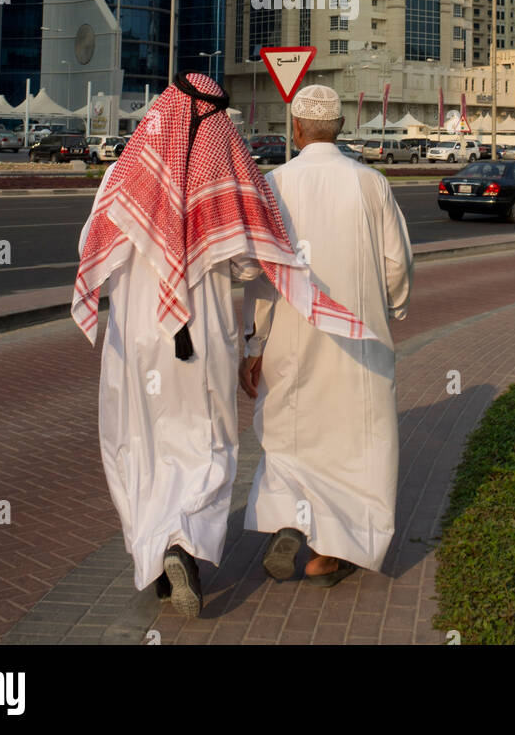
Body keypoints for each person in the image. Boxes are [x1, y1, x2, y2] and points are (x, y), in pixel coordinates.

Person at [73, 73, 370, 618]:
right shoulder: (226, 180)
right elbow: (252, 262)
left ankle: (161, 547)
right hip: (202, 335)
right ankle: (185, 543)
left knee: (138, 440)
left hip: (138, 336)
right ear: (215, 122)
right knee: (205, 442)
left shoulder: (123, 171)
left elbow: (93, 245)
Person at [240, 84, 414, 587]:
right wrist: (393, 309)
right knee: (357, 442)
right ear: (340, 129)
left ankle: (290, 520)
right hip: (359, 339)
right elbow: (396, 263)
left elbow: (263, 277)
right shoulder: (369, 182)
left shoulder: (272, 184)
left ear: (295, 128)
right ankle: (326, 554)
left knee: (290, 435)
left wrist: (254, 344)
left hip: (292, 335)